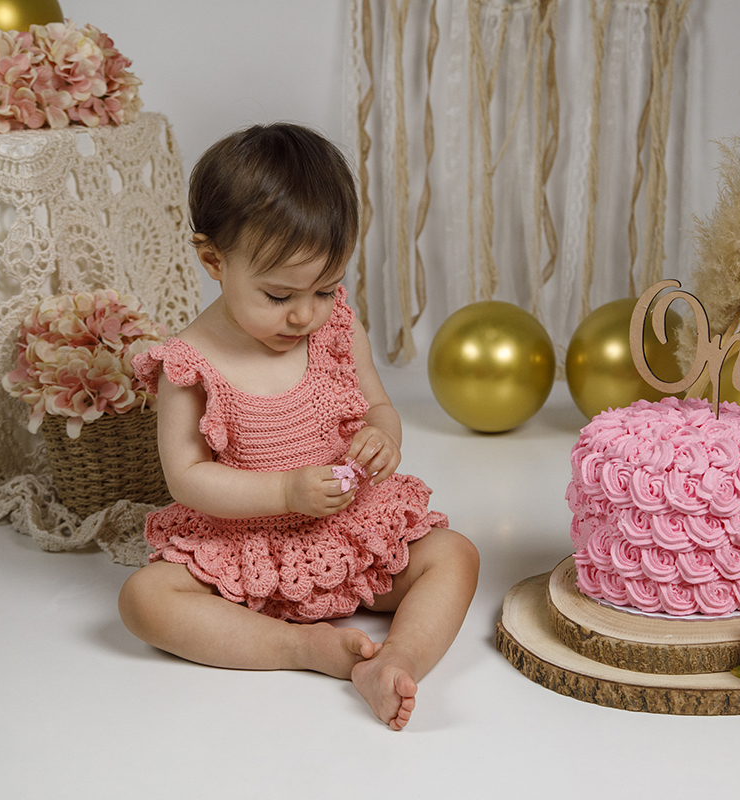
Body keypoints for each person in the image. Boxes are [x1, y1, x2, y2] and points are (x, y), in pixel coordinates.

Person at [117, 123, 479, 731]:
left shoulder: (335, 329)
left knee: (454, 554)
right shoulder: (189, 364)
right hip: (242, 548)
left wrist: (383, 438)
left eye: (325, 288)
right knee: (143, 601)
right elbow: (186, 479)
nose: (306, 314)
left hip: (345, 535)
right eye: (279, 295)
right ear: (213, 261)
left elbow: (379, 409)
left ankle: (395, 660)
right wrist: (284, 492)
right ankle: (300, 648)